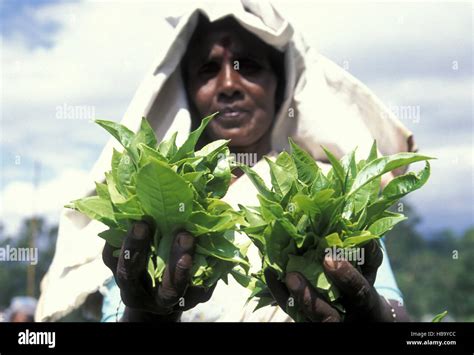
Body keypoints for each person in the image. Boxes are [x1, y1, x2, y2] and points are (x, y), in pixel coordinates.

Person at [36, 1, 415, 322]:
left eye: (248, 65)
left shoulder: (326, 190)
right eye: (207, 68)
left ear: (279, 85)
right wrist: (146, 315)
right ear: (186, 91)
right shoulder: (147, 198)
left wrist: (372, 314)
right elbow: (120, 310)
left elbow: (391, 308)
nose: (229, 84)